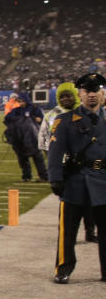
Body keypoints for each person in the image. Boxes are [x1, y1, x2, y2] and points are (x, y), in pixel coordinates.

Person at [48, 72, 106, 284]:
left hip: (103, 181)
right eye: (87, 91)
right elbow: (55, 151)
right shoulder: (65, 121)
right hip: (76, 181)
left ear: (102, 94)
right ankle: (63, 268)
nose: (92, 95)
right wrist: (55, 177)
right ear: (80, 94)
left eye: (96, 91)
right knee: (68, 232)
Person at [41, 83, 94, 243]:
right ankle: (66, 235)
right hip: (66, 167)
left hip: (88, 165)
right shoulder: (52, 115)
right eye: (62, 96)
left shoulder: (87, 113)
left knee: (90, 200)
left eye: (68, 95)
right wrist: (54, 169)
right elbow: (43, 140)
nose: (65, 99)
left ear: (75, 95)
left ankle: (90, 231)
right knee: (68, 204)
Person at [4, 93, 47, 182]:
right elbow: (7, 118)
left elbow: (42, 120)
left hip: (33, 138)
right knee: (22, 158)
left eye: (21, 101)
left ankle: (43, 176)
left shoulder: (35, 109)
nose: (20, 103)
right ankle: (27, 176)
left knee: (37, 157)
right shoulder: (16, 110)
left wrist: (37, 119)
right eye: (19, 101)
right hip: (20, 138)